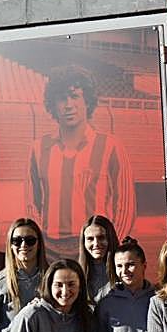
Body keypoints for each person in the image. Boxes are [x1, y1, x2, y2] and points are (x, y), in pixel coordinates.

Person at [26, 65, 135, 261]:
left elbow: (125, 206)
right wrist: (40, 243)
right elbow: (31, 203)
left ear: (87, 102)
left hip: (95, 249)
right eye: (62, 98)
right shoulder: (38, 148)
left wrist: (109, 246)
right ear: (53, 105)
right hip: (50, 250)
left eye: (75, 96)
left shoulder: (110, 146)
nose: (68, 105)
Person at [78, 214, 118, 303]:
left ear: (110, 239)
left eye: (101, 237)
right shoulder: (77, 274)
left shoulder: (122, 270)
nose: (96, 244)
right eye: (90, 239)